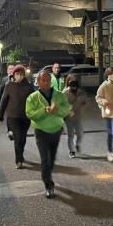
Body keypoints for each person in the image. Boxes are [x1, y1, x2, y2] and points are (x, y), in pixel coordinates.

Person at [26, 70, 71, 198]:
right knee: (45, 159)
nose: (45, 82)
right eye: (43, 80)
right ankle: (48, 185)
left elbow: (66, 109)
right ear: (38, 82)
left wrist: (57, 110)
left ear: (51, 81)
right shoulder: (32, 97)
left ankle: (48, 174)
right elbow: (30, 114)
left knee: (51, 158)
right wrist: (44, 110)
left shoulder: (59, 95)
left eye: (47, 79)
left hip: (56, 130)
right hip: (41, 132)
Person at [0, 65, 33, 169]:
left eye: (21, 74)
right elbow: (4, 100)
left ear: (24, 75)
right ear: (13, 75)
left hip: (26, 117)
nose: (19, 76)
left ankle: (20, 154)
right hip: (13, 117)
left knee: (23, 138)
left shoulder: (29, 86)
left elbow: (35, 100)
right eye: (17, 74)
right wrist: (0, 114)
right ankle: (18, 160)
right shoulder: (9, 86)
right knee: (18, 138)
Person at [63, 75, 87, 158]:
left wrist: (82, 105)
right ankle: (71, 151)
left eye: (74, 80)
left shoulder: (81, 92)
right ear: (68, 81)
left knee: (80, 134)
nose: (73, 82)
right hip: (68, 117)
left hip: (78, 116)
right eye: (71, 80)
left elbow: (85, 102)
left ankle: (77, 144)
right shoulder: (65, 92)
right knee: (71, 135)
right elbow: (62, 104)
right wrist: (68, 109)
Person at [0, 64, 15, 139]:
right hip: (7, 101)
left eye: (13, 69)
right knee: (9, 116)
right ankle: (10, 131)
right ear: (7, 71)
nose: (11, 70)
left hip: (16, 101)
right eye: (10, 69)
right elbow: (1, 90)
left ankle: (16, 130)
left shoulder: (18, 78)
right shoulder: (4, 79)